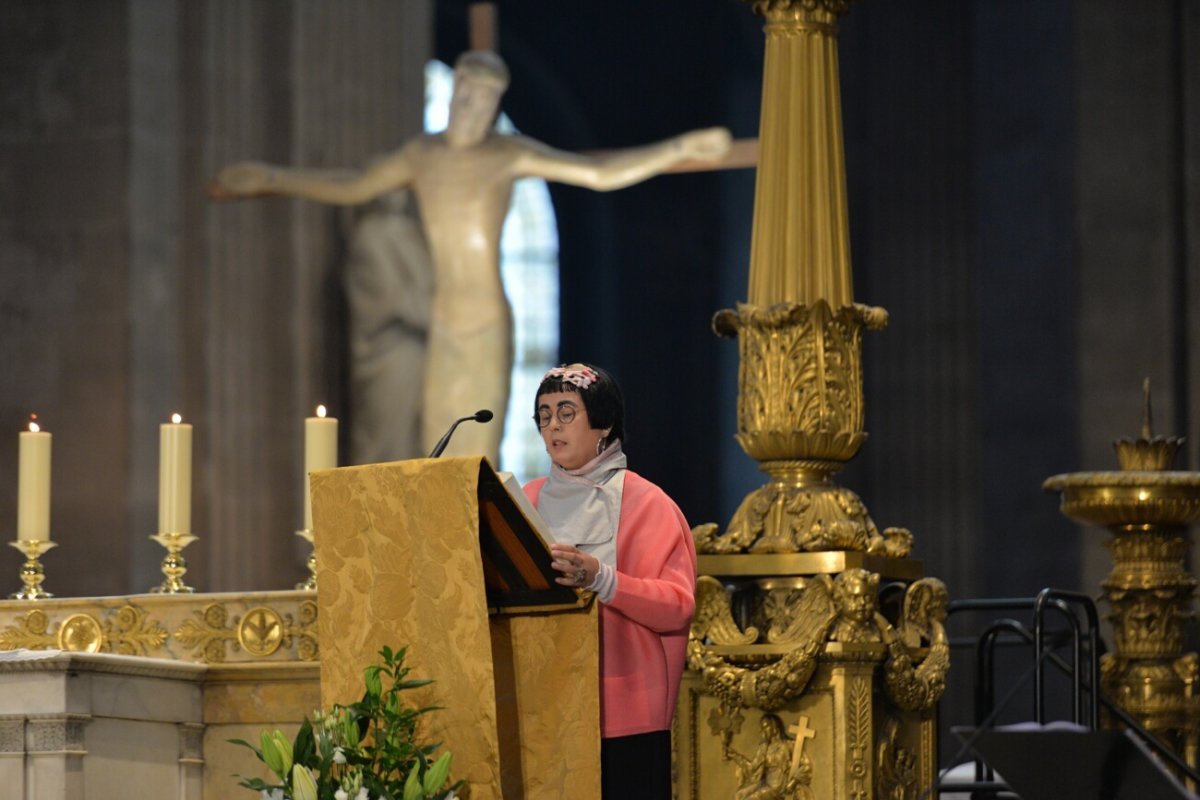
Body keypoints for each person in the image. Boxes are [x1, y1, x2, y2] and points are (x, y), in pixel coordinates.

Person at [211, 50, 732, 464]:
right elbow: (354, 186)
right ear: (456, 92)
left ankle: (478, 576)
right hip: (444, 325)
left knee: (477, 455)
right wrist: (270, 180)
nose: (476, 110)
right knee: (438, 452)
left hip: (485, 324)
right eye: (470, 96)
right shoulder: (423, 155)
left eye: (489, 102)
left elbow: (596, 174)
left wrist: (678, 147)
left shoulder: (507, 154)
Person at [522, 363, 697, 800]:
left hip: (626, 710)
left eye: (566, 412)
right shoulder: (524, 500)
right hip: (543, 704)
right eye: (544, 416)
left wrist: (602, 578)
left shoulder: (648, 503)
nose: (552, 426)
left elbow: (677, 605)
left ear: (603, 423)